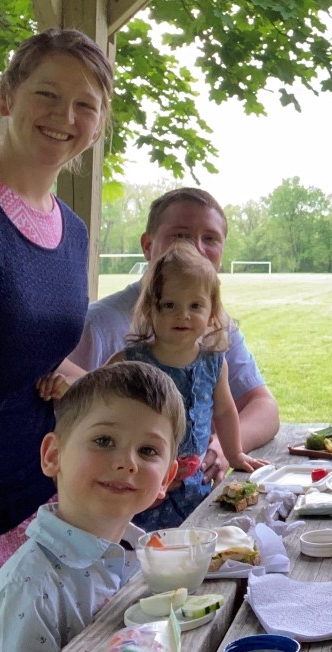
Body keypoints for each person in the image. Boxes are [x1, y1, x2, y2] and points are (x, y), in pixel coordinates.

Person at [0, 29, 114, 631]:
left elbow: (27, 348)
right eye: (47, 94)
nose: (64, 116)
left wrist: (83, 386)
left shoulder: (71, 231)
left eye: (85, 105)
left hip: (38, 502)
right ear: (6, 97)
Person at [0, 361, 186, 652]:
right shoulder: (32, 593)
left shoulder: (140, 560)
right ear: (53, 455)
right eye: (104, 440)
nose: (127, 462)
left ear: (165, 478)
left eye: (148, 450)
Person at [68, 187, 280, 486]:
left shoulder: (216, 327)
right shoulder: (98, 326)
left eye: (210, 238)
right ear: (148, 245)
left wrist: (222, 449)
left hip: (194, 488)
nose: (196, 248)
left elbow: (263, 406)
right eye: (180, 236)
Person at [108, 241, 268, 528]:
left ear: (211, 312)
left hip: (196, 487)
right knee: (144, 547)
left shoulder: (214, 363)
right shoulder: (129, 363)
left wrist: (234, 454)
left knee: (198, 537)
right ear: (150, 309)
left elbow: (224, 412)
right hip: (143, 489)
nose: (183, 315)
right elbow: (99, 414)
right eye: (169, 305)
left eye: (195, 306)